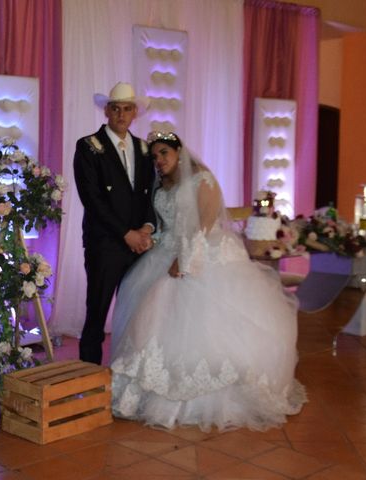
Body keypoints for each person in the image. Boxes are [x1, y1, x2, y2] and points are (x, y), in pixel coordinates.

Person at [110, 132, 306, 431]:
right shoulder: (163, 185)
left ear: (179, 152)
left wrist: (185, 259)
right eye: (155, 156)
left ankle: (208, 400)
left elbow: (203, 224)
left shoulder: (202, 180)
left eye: (164, 153)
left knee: (203, 325)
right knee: (153, 319)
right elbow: (169, 224)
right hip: (165, 254)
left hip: (203, 257)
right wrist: (154, 238)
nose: (159, 161)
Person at [74, 82, 156, 365]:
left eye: (127, 109)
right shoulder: (88, 147)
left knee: (133, 316)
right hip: (105, 245)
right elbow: (92, 199)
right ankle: (88, 379)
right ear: (107, 111)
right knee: (96, 315)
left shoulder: (144, 149)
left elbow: (150, 194)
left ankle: (126, 376)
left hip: (137, 248)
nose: (122, 114)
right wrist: (125, 234)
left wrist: (146, 227)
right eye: (116, 108)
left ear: (135, 113)